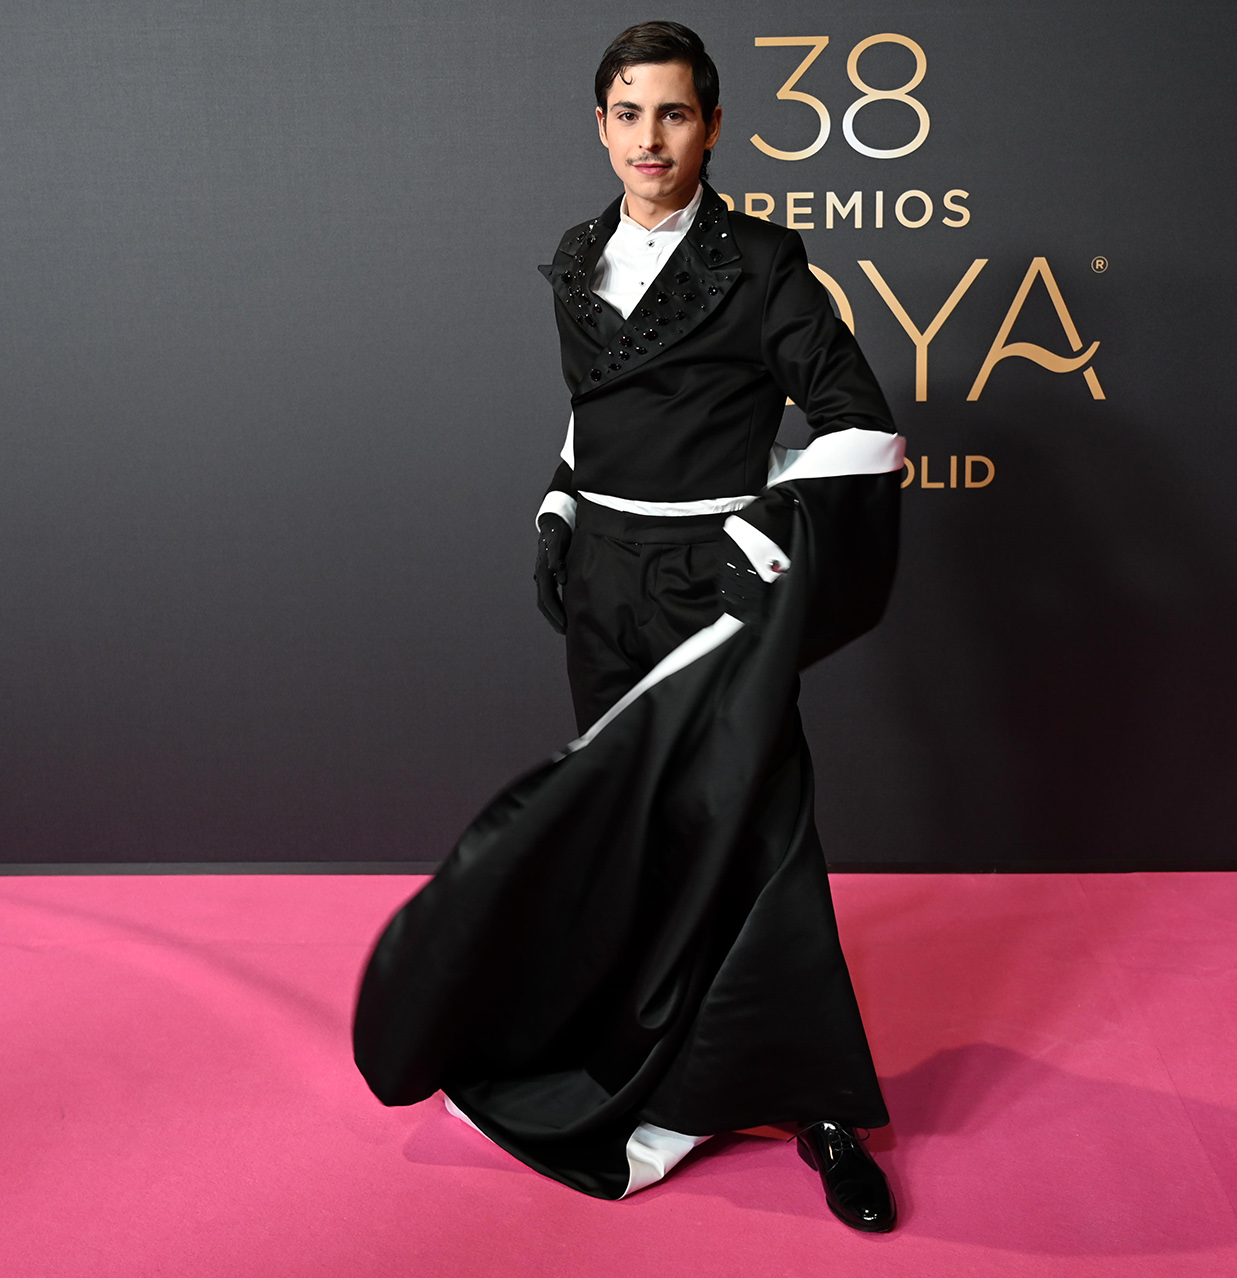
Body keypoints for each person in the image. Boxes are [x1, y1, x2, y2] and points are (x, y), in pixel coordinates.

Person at [353, 20, 905, 1232]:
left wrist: (766, 537)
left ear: (711, 126)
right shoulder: (576, 254)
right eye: (628, 112)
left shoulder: (762, 263)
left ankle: (819, 1105)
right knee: (629, 828)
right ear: (601, 125)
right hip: (601, 583)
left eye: (674, 113)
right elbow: (591, 405)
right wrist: (559, 503)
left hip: (715, 587)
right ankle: (629, 1058)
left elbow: (861, 421)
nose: (650, 137)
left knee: (761, 829)